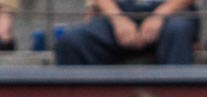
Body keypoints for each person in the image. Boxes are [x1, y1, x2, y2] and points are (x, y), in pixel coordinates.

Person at [54, 0, 198, 65]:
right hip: (117, 13)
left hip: (171, 13)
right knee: (71, 42)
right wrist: (117, 18)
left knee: (178, 30)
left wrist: (160, 15)